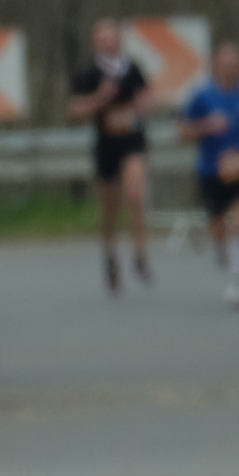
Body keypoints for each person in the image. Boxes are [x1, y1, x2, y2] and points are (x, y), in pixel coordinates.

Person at [68, 18, 151, 293]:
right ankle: (110, 259)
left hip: (133, 141)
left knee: (135, 196)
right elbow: (75, 109)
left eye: (110, 37)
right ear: (95, 43)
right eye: (101, 39)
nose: (107, 42)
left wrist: (142, 104)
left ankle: (140, 255)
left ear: (118, 39)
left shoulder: (132, 69)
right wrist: (99, 99)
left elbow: (147, 96)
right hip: (106, 146)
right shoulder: (89, 74)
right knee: (109, 210)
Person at [180, 41, 239, 308]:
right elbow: (183, 132)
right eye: (226, 65)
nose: (231, 70)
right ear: (216, 67)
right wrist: (206, 127)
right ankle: (222, 248)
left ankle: (237, 282)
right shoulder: (202, 97)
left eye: (235, 65)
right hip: (210, 170)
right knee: (217, 225)